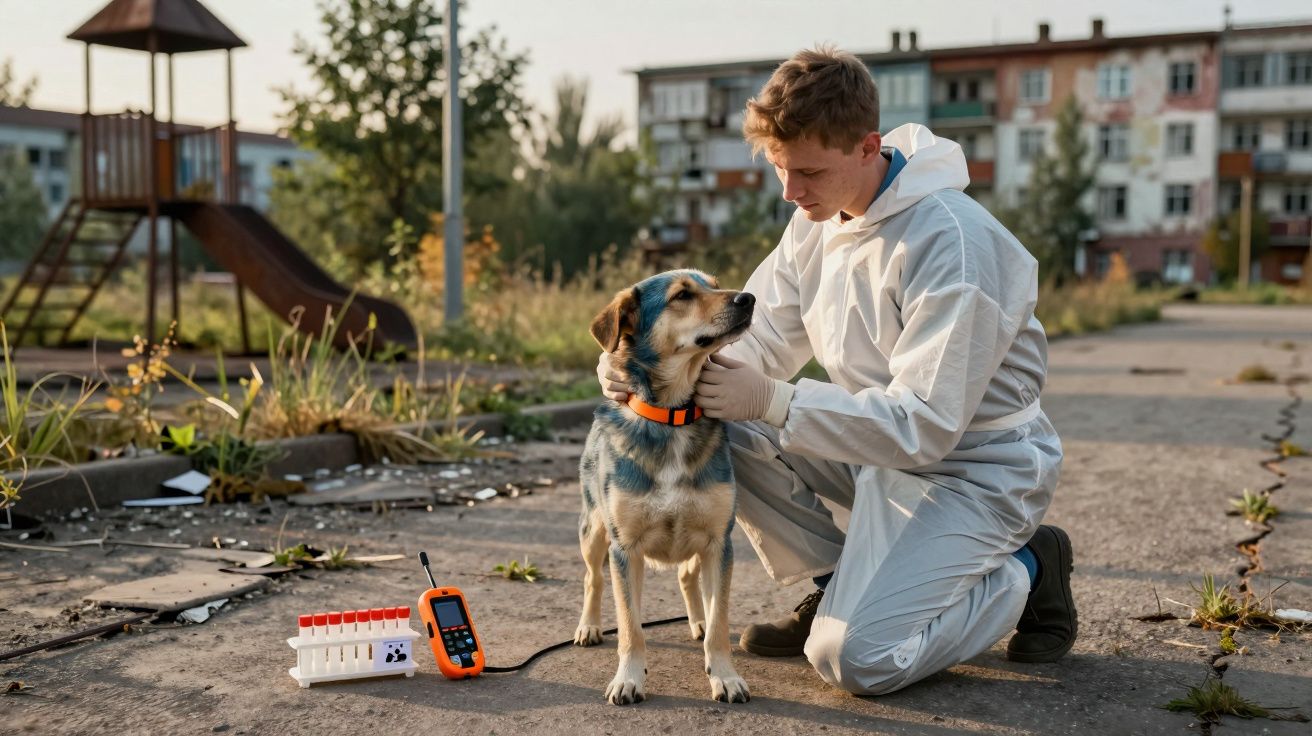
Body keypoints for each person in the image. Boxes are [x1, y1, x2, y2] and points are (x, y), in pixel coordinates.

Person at [596, 45, 1074, 696]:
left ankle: (1027, 569)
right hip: (875, 449)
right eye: (780, 169)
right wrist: (637, 368)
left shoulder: (952, 245)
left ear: (866, 147)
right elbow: (752, 345)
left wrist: (772, 399)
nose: (791, 192)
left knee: (859, 659)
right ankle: (832, 587)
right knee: (720, 422)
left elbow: (926, 427)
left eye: (809, 172)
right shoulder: (814, 224)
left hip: (971, 471)